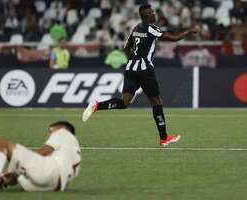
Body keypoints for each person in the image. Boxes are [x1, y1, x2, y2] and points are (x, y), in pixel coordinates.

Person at [82, 3, 201, 147]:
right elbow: (174, 38)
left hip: (131, 69)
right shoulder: (152, 29)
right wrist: (189, 31)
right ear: (147, 15)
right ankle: (164, 138)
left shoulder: (136, 28)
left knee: (124, 102)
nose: (154, 14)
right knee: (156, 102)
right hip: (145, 71)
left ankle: (96, 106)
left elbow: (126, 48)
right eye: (152, 13)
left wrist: (133, 60)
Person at [0, 121, 81, 192]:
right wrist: (17, 172)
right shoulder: (71, 150)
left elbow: (44, 151)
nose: (49, 134)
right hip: (55, 186)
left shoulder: (63, 132)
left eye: (50, 131)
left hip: (50, 172)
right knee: (20, 176)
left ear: (57, 128)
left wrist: (18, 167)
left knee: (2, 144)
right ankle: (2, 180)